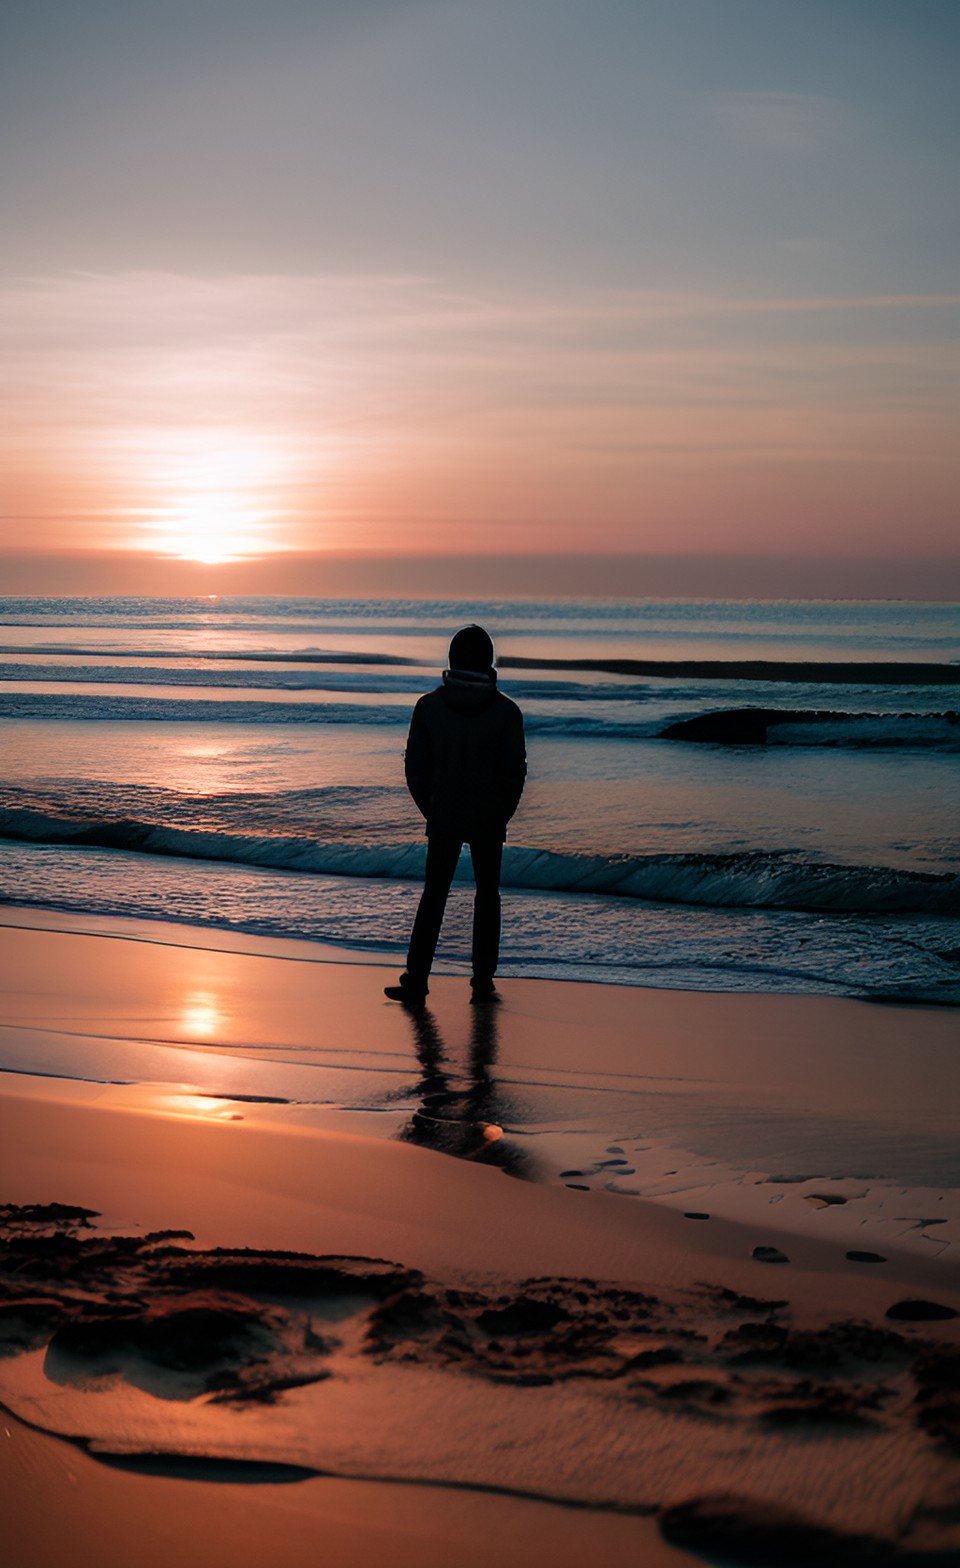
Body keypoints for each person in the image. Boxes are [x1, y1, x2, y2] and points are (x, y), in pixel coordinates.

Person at [384, 624, 526, 1007]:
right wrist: (501, 815)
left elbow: (415, 769)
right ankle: (482, 983)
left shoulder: (429, 707)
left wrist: (433, 808)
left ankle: (417, 979)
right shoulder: (506, 712)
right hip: (487, 818)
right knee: (487, 897)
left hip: (444, 815)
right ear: (489, 661)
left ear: (451, 660)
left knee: (435, 896)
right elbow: (516, 773)